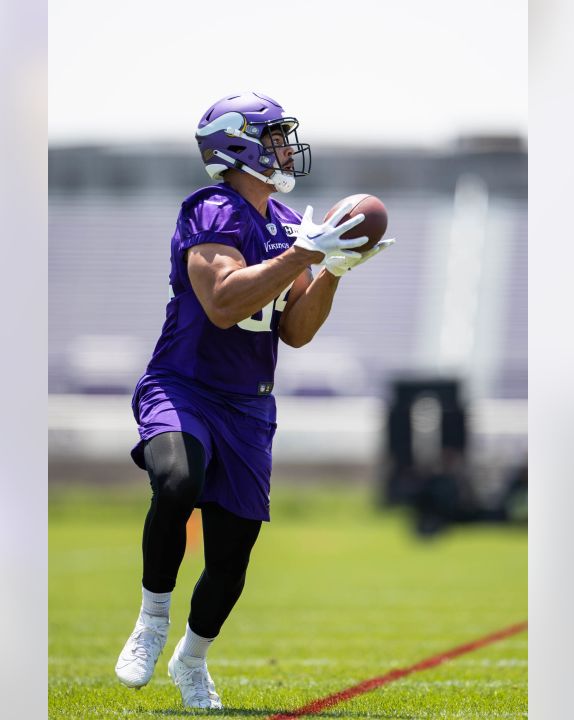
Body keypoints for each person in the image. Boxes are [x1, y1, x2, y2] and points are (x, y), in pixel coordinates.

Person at [113, 92, 394, 709]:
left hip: (248, 404)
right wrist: (303, 253)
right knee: (177, 480)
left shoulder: (292, 225)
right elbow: (221, 302)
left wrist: (332, 270)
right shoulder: (212, 210)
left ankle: (192, 660)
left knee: (231, 558)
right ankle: (152, 618)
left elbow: (295, 331)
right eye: (274, 138)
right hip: (183, 384)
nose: (286, 149)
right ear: (238, 145)